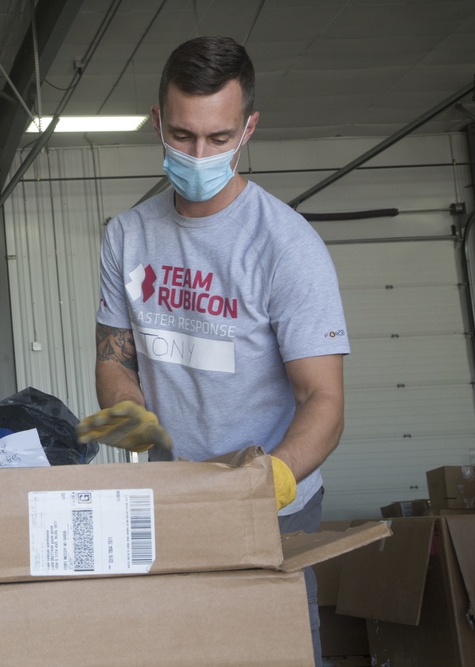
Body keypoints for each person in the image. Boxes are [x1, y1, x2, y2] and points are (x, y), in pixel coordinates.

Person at [77, 36, 349, 666]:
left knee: (272, 650)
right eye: (182, 136)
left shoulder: (286, 246)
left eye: (219, 139)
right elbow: (115, 357)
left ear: (248, 128)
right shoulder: (128, 235)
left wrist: (267, 484)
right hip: (173, 498)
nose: (198, 154)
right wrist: (137, 427)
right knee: (181, 649)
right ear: (157, 123)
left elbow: (325, 400)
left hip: (274, 502)